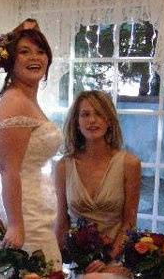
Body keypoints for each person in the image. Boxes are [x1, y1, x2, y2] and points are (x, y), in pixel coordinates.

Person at [0, 19, 63, 269]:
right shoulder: (15, 101)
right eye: (24, 51)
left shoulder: (28, 99)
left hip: (34, 206)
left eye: (40, 51)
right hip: (23, 213)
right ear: (11, 60)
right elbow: (8, 168)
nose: (34, 57)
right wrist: (16, 224)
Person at [54, 90, 141, 277]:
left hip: (116, 259)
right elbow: (62, 221)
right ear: (76, 122)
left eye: (99, 114)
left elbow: (129, 222)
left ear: (109, 120)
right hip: (80, 263)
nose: (92, 120)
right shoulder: (63, 166)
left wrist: (107, 259)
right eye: (85, 114)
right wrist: (54, 264)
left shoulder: (129, 164)